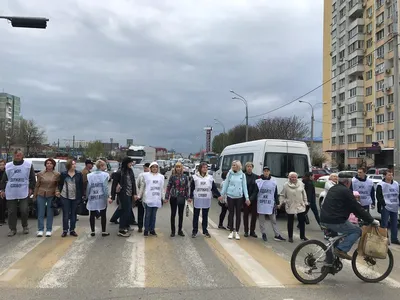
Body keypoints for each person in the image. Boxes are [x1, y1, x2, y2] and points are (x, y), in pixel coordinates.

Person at [320, 173, 378, 260]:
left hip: (325, 218)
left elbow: (348, 207)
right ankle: (341, 250)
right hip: (335, 220)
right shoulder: (345, 191)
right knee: (356, 231)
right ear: (347, 182)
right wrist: (371, 220)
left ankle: (329, 263)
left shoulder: (333, 188)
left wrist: (358, 214)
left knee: (335, 240)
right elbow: (356, 207)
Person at [0, 149, 36, 236]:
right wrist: (2, 190)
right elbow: (4, 179)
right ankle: (12, 229)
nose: (17, 156)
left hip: (23, 191)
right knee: (11, 211)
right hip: (11, 191)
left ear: (22, 155)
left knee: (24, 210)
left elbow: (32, 178)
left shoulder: (28, 165)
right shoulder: (8, 166)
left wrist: (31, 188)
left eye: (19, 155)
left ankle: (25, 226)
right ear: (14, 156)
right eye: (16, 155)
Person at [190, 162, 221, 238]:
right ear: (200, 168)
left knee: (205, 215)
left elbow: (213, 188)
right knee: (196, 215)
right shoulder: (195, 177)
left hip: (206, 198)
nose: (205, 168)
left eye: (206, 167)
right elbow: (192, 188)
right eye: (203, 167)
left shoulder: (210, 178)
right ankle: (194, 231)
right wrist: (190, 197)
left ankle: (205, 230)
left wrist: (219, 195)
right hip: (198, 198)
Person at [220, 160, 250, 240]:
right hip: (230, 196)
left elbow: (244, 187)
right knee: (231, 213)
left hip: (239, 197)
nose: (233, 166)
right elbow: (226, 184)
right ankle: (231, 231)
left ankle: (236, 231)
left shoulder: (242, 175)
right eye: (232, 165)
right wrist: (222, 194)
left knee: (238, 214)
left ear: (239, 166)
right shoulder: (229, 174)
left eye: (235, 165)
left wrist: (247, 198)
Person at [256, 166, 285, 242]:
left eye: (267, 171)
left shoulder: (273, 182)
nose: (266, 172)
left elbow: (275, 193)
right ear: (263, 172)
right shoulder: (258, 181)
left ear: (269, 172)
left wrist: (277, 202)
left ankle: (277, 234)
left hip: (270, 204)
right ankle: (263, 233)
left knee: (273, 220)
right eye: (265, 171)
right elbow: (256, 192)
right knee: (262, 220)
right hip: (261, 204)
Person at [33, 158, 60, 237]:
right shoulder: (40, 174)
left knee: (50, 213)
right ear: (45, 165)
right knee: (40, 213)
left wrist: (57, 192)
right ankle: (40, 229)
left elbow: (57, 185)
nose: (49, 165)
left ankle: (49, 229)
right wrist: (34, 196)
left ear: (53, 165)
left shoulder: (57, 174)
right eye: (47, 163)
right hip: (41, 194)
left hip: (51, 195)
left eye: (51, 163)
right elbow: (37, 185)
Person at [111, 157, 137, 237]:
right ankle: (121, 229)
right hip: (123, 194)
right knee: (124, 211)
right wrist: (112, 197)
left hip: (129, 194)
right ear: (126, 163)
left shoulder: (130, 171)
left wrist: (134, 193)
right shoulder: (120, 172)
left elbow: (133, 183)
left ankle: (126, 225)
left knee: (128, 210)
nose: (131, 164)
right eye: (130, 163)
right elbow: (114, 185)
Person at [279, 172, 308, 243]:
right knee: (290, 222)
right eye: (292, 177)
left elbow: (304, 194)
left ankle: (302, 236)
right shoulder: (286, 185)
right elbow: (282, 195)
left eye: (295, 177)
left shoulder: (301, 184)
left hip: (300, 205)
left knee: (302, 221)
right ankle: (290, 237)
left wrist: (305, 202)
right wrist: (281, 202)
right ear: (289, 178)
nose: (294, 178)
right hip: (290, 205)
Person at [137, 162, 164, 237]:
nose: (154, 168)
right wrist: (139, 195)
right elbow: (142, 186)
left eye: (156, 167)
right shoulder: (145, 176)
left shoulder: (161, 177)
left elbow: (162, 188)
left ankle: (152, 229)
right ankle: (146, 230)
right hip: (148, 198)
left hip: (156, 198)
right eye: (153, 167)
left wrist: (163, 197)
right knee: (148, 215)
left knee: (154, 215)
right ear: (150, 168)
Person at [59, 159, 83, 237]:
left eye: (75, 164)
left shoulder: (79, 174)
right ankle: (65, 230)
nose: (74, 165)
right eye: (73, 164)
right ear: (69, 165)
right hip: (65, 196)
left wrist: (81, 196)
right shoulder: (63, 174)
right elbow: (60, 184)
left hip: (75, 197)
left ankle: (72, 230)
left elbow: (80, 186)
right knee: (65, 214)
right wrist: (59, 193)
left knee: (73, 214)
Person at [87, 160, 112, 237]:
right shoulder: (105, 175)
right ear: (101, 166)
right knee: (103, 214)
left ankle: (92, 231)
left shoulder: (90, 175)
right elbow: (105, 187)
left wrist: (87, 196)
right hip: (101, 197)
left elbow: (88, 187)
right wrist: (108, 196)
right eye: (104, 165)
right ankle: (103, 231)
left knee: (92, 214)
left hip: (92, 196)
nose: (105, 167)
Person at [165, 162, 190, 237]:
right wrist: (166, 197)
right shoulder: (172, 177)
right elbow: (168, 187)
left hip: (181, 197)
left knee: (181, 214)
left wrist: (188, 197)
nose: (178, 168)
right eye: (177, 167)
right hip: (173, 197)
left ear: (181, 168)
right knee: (173, 214)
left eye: (179, 167)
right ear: (175, 168)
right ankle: (173, 231)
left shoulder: (185, 177)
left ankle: (180, 230)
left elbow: (186, 188)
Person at [376, 170, 400, 245]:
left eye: (391, 175)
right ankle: (384, 239)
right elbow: (379, 196)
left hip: (394, 205)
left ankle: (394, 239)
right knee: (384, 224)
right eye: (389, 175)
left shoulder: (396, 184)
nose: (391, 176)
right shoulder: (381, 184)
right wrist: (383, 204)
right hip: (386, 206)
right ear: (385, 176)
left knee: (394, 223)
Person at [243, 162, 259, 238]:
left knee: (254, 216)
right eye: (248, 166)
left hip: (253, 199)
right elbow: (242, 188)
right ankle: (246, 231)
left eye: (250, 166)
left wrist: (251, 199)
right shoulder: (243, 176)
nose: (249, 168)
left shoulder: (256, 177)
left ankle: (252, 231)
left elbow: (256, 190)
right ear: (245, 168)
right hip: (245, 199)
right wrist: (246, 199)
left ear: (252, 167)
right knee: (245, 215)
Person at [134, 162, 149, 233]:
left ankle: (147, 226)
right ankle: (140, 226)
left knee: (148, 213)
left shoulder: (153, 176)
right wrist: (138, 195)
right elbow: (137, 185)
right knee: (141, 212)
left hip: (149, 197)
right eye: (145, 168)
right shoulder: (141, 175)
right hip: (141, 196)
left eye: (147, 168)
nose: (145, 169)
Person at [0, 159, 7, 225]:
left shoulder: (6, 172)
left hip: (4, 191)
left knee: (3, 206)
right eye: (0, 165)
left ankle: (2, 219)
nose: (2, 166)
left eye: (3, 165)